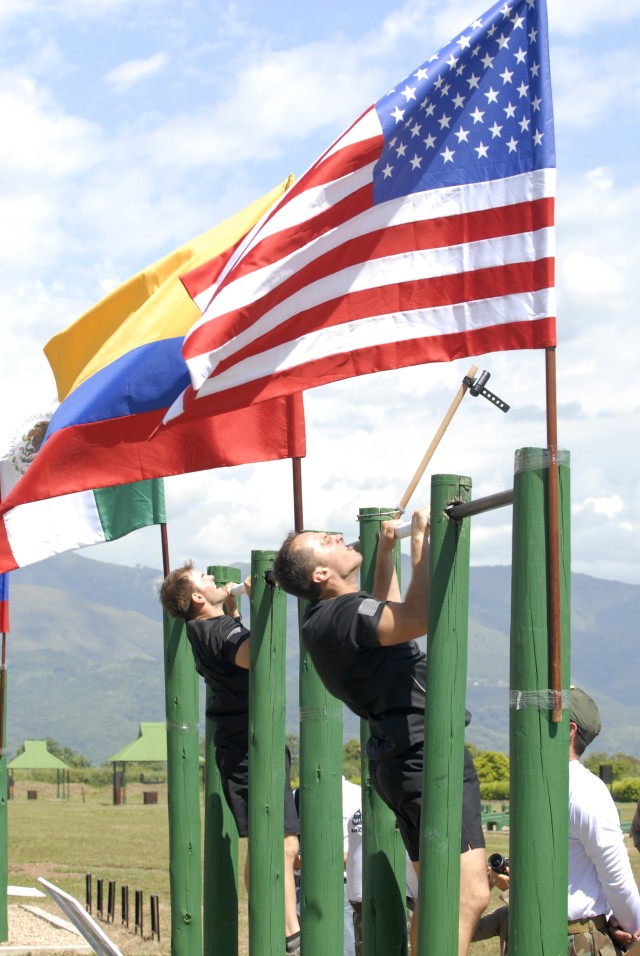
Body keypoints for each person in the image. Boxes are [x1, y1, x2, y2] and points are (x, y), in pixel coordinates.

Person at [273, 509, 489, 955]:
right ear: (320, 573)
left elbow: (387, 620)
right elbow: (415, 618)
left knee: (435, 893)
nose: (337, 535)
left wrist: (386, 554)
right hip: (425, 755)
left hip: (402, 759)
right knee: (468, 894)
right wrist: (421, 546)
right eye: (327, 541)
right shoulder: (344, 615)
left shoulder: (328, 618)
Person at [159, 562, 301, 956]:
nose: (216, 580)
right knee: (276, 843)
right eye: (205, 580)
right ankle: (289, 933)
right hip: (247, 749)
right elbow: (255, 655)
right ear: (199, 598)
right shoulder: (215, 630)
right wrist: (262, 603)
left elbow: (232, 641)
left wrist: (236, 610)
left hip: (252, 744)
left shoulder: (209, 626)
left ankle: (284, 928)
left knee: (282, 842)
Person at [472, 686, 640, 956]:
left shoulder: (584, 791)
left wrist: (631, 927)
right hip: (552, 934)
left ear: (569, 730)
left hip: (572, 940)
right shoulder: (563, 786)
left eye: (539, 718)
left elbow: (616, 880)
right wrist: (629, 924)